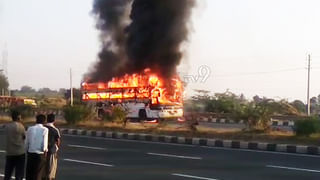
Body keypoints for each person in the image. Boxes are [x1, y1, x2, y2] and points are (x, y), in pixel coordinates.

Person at [4, 111, 26, 180]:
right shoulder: (21, 126)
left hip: (10, 152)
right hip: (20, 152)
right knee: (19, 173)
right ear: (18, 118)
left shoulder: (8, 126)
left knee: (8, 172)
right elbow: (24, 137)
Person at [25, 114, 49, 180]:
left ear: (36, 120)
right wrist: (45, 151)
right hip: (39, 154)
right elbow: (44, 143)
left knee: (29, 172)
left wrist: (27, 149)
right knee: (37, 173)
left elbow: (26, 142)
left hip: (30, 153)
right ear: (44, 121)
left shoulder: (30, 128)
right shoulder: (45, 130)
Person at [43, 114, 61, 180]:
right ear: (54, 120)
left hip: (42, 151)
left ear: (47, 119)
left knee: (43, 169)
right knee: (51, 169)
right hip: (51, 151)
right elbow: (58, 141)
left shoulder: (43, 128)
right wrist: (57, 149)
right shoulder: (55, 130)